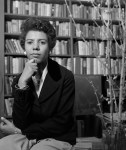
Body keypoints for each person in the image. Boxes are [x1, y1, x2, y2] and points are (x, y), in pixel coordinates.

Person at [0, 18, 76, 150]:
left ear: (50, 46)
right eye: (30, 42)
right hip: (28, 137)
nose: (35, 47)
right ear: (24, 47)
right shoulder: (19, 80)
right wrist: (23, 83)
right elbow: (20, 121)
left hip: (57, 137)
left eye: (42, 42)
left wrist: (21, 131)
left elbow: (62, 121)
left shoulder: (65, 76)